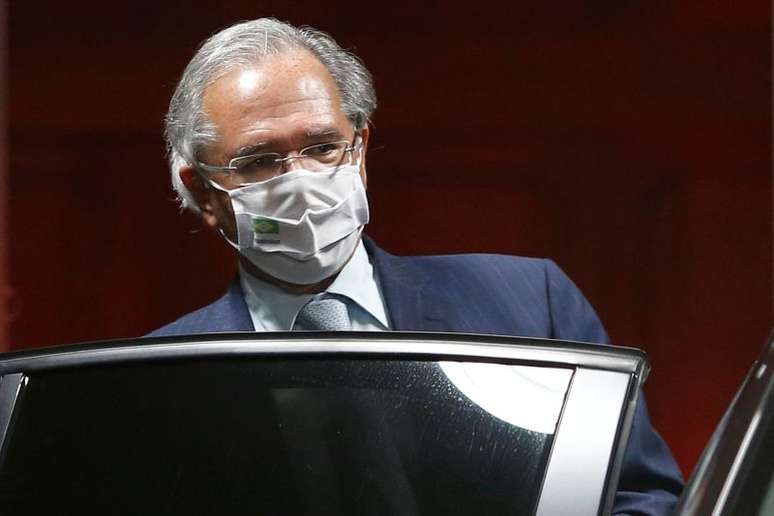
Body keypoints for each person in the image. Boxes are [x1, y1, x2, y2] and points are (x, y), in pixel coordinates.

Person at [151, 18, 683, 514]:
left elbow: (637, 496)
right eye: (259, 161)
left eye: (323, 147)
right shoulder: (156, 383)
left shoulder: (531, 303)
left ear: (359, 148)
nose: (301, 180)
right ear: (202, 190)